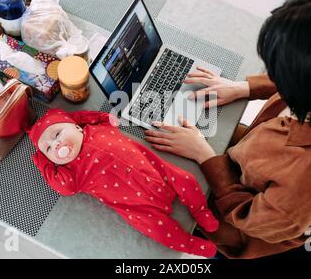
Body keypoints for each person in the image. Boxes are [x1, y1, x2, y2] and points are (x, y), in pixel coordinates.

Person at [144, 0, 311, 258]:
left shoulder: (310, 176)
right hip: (248, 158)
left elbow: (248, 218)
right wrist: (244, 88)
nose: (273, 76)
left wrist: (205, 156)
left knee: (138, 172)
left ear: (308, 91)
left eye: (279, 72)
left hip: (240, 222)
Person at [27, 108, 219, 257]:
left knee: (186, 179)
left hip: (158, 173)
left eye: (57, 134)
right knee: (157, 230)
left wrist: (81, 118)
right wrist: (40, 159)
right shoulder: (70, 175)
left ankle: (200, 210)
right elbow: (60, 186)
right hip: (139, 206)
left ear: (77, 126)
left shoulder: (99, 127)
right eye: (49, 149)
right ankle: (189, 243)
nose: (57, 145)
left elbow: (103, 117)